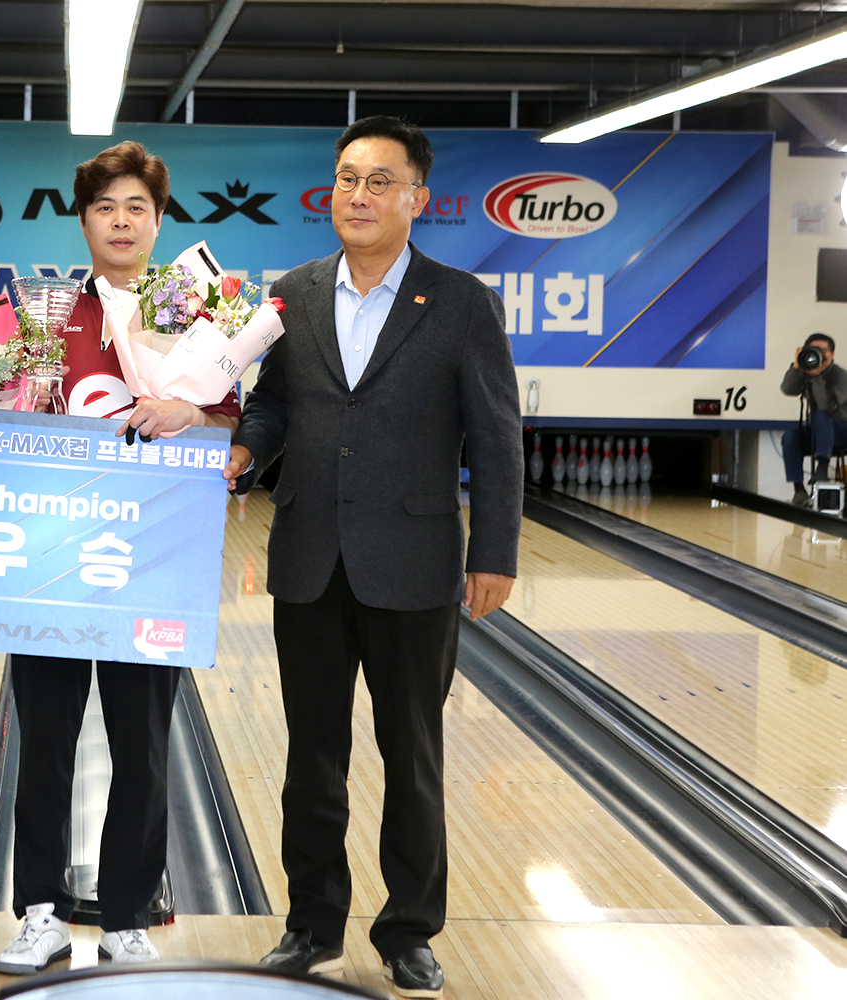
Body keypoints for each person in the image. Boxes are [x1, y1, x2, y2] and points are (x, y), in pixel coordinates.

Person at [223, 116, 522, 999]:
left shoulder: (461, 301)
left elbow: (496, 436)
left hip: (415, 560)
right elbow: (273, 404)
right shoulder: (295, 292)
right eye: (349, 179)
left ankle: (409, 931)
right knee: (312, 756)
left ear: (417, 198)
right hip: (310, 557)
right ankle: (311, 925)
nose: (359, 195)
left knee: (412, 756)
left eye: (380, 181)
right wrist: (245, 450)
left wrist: (495, 552)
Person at [0, 141, 242, 976]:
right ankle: (39, 913)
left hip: (155, 558)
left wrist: (190, 414)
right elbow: (3, 421)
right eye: (106, 207)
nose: (122, 221)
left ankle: (129, 917)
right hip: (52, 557)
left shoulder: (191, 313)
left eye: (137, 207)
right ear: (84, 222)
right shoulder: (46, 314)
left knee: (143, 746)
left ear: (160, 221)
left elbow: (233, 423)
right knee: (44, 741)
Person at [780, 333, 847, 506]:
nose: (819, 354)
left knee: (822, 415)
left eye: (823, 350)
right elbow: (787, 389)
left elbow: (827, 406)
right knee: (790, 436)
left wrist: (818, 377)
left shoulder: (840, 376)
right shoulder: (806, 372)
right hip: (819, 430)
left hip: (842, 430)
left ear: (832, 353)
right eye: (814, 350)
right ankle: (799, 490)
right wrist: (796, 366)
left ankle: (822, 468)